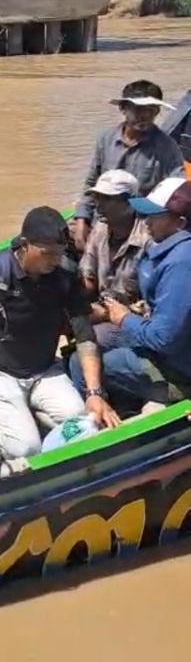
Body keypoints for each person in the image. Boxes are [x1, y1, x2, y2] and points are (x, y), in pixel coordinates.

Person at [0, 207, 118, 462]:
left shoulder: (64, 277)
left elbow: (84, 337)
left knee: (89, 424)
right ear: (26, 245)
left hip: (44, 371)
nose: (54, 260)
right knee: (25, 450)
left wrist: (95, 394)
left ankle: (27, 414)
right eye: (46, 253)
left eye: (59, 253)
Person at [87, 179, 191, 414]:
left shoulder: (182, 263)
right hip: (165, 342)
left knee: (87, 364)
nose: (145, 221)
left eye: (154, 215)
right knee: (95, 339)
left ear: (180, 223)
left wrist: (125, 319)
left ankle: (114, 415)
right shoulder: (163, 248)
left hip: (179, 368)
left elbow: (164, 339)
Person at [73, 80, 184, 253]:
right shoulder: (106, 140)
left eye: (152, 110)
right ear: (123, 109)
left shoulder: (167, 147)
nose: (145, 115)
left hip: (142, 226)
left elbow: (177, 189)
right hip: (104, 220)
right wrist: (82, 219)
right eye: (139, 109)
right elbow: (91, 182)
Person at [79, 169, 152, 350]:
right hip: (104, 307)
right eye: (97, 198)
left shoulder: (149, 239)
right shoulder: (100, 228)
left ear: (130, 202)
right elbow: (88, 277)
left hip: (135, 321)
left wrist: (104, 314)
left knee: (92, 338)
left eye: (107, 199)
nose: (99, 206)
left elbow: (148, 308)